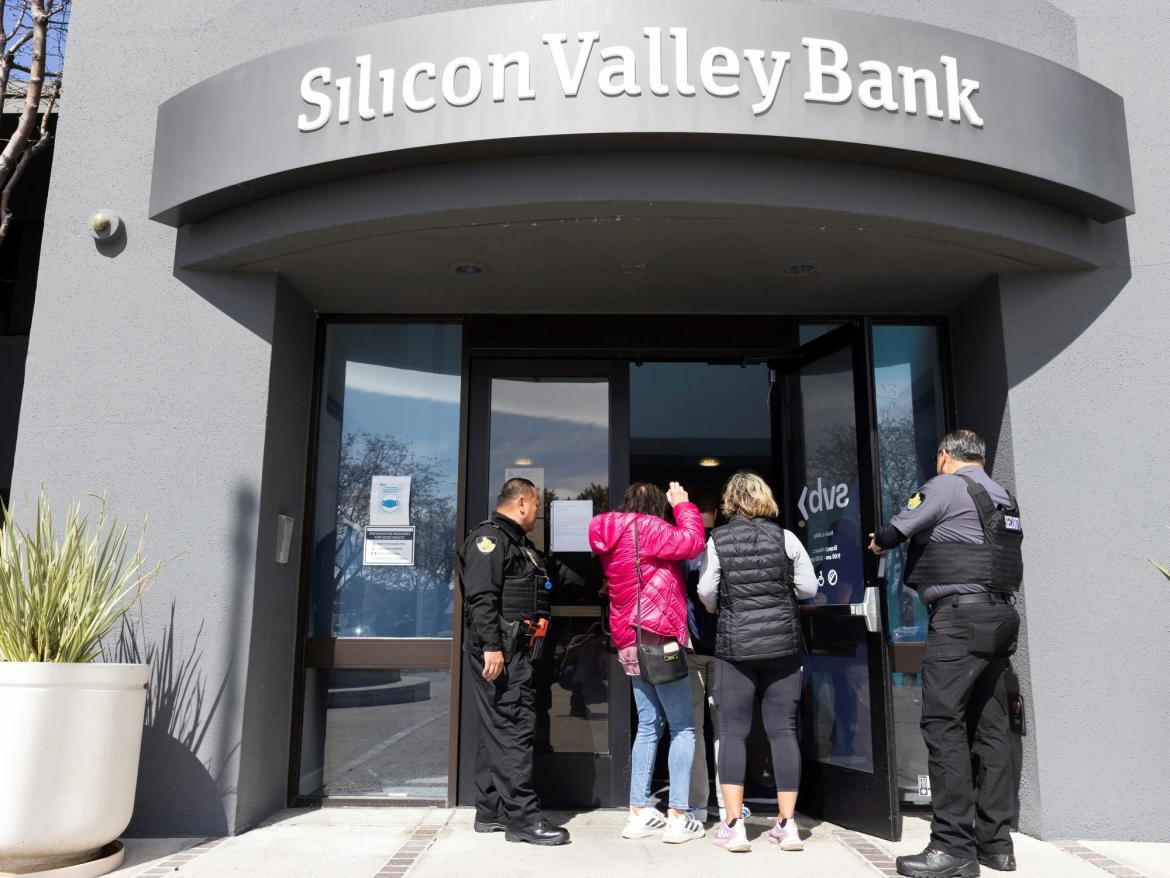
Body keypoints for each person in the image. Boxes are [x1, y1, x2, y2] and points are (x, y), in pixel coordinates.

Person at [868, 429, 1023, 878]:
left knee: (942, 723)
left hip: (959, 619)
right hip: (999, 618)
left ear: (943, 458)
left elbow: (898, 528)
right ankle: (996, 844)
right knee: (990, 727)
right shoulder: (1001, 494)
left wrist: (878, 542)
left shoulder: (945, 485)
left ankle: (952, 848)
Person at [697, 471, 818, 853]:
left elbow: (705, 590)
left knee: (734, 733)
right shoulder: (786, 538)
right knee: (783, 730)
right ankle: (788, 824)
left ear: (729, 502)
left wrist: (721, 608)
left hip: (736, 649)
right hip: (782, 647)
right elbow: (809, 588)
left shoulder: (717, 540)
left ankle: (733, 827)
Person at [588, 481, 706, 844]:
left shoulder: (608, 532)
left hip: (629, 639)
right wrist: (684, 506)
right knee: (683, 727)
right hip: (659, 635)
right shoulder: (650, 527)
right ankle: (678, 817)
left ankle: (638, 813)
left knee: (649, 725)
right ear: (656, 506)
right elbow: (692, 544)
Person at [457, 477, 571, 846]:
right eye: (537, 505)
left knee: (499, 728)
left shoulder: (519, 545)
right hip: (500, 654)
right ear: (521, 502)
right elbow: (481, 599)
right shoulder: (487, 540)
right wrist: (492, 646)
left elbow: (550, 579)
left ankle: (490, 810)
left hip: (517, 652)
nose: (538, 513)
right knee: (513, 728)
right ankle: (522, 819)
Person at [682, 489, 747, 825]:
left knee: (692, 729)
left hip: (692, 647)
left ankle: (696, 804)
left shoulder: (684, 549)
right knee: (725, 730)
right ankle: (727, 805)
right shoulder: (727, 545)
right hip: (725, 648)